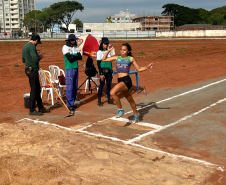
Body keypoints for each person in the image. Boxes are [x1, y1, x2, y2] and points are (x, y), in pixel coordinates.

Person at [102, 43, 154, 123]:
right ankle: (136, 114)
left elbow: (139, 69)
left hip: (126, 80)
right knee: (130, 99)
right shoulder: (117, 58)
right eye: (121, 49)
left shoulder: (130, 59)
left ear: (128, 51)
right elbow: (103, 59)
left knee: (112, 92)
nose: (122, 51)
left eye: (124, 50)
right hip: (120, 80)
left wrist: (148, 67)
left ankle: (120, 109)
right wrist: (108, 50)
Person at [22, 34, 50, 116]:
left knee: (37, 89)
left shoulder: (25, 46)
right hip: (32, 70)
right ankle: (32, 110)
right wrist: (40, 56)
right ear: (36, 40)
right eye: (38, 42)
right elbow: (35, 59)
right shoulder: (32, 46)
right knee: (34, 90)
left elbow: (24, 60)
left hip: (28, 69)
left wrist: (33, 56)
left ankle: (41, 107)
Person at [62, 34, 82, 110]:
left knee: (74, 86)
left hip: (75, 67)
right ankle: (69, 105)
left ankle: (72, 103)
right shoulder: (65, 47)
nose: (74, 41)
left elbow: (80, 57)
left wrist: (73, 56)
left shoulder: (75, 47)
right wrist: (75, 56)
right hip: (69, 68)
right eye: (73, 40)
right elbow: (69, 59)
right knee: (69, 87)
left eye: (74, 40)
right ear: (69, 40)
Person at [96, 37, 114, 106]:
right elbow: (98, 63)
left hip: (109, 70)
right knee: (102, 85)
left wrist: (112, 72)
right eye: (105, 43)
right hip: (103, 71)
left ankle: (109, 99)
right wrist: (101, 73)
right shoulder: (99, 52)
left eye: (107, 43)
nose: (106, 45)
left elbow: (110, 62)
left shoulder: (108, 51)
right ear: (102, 44)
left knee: (109, 85)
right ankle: (99, 100)